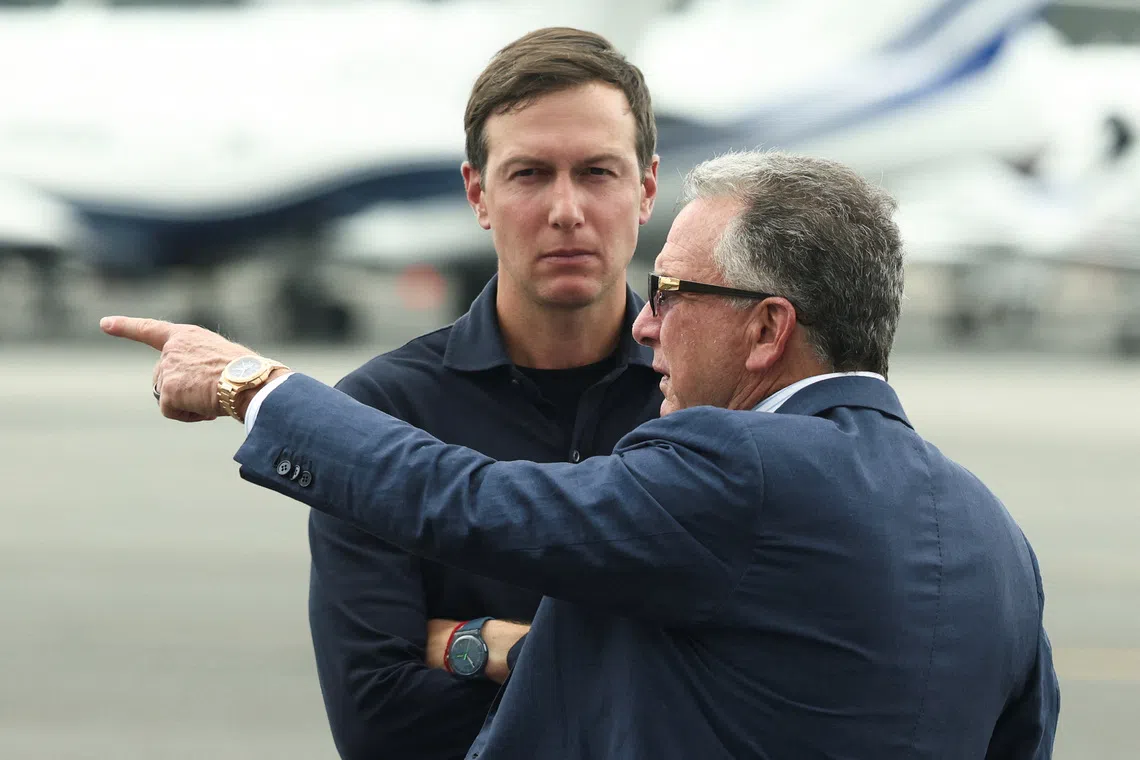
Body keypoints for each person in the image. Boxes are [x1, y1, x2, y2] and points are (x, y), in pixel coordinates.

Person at [103, 149, 1060, 759]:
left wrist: (251, 388)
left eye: (675, 291)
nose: (646, 325)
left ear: (769, 330)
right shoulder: (996, 537)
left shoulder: (737, 470)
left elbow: (468, 499)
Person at [321, 27, 662, 760]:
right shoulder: (381, 411)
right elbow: (378, 724)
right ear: (478, 194)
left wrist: (477, 644)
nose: (566, 210)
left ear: (646, 190)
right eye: (530, 174)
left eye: (598, 172)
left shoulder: (712, 399)